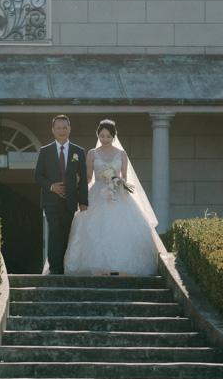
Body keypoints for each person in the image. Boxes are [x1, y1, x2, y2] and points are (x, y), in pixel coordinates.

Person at [64, 118, 159, 276]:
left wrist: (117, 181)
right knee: (95, 227)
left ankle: (118, 265)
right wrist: (77, 180)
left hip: (117, 192)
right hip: (97, 193)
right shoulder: (92, 153)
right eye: (102, 136)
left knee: (119, 228)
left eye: (108, 136)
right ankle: (97, 266)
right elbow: (88, 176)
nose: (105, 139)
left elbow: (125, 177)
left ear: (114, 136)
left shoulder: (121, 154)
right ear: (97, 135)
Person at [34, 114, 88, 274]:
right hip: (50, 201)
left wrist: (84, 202)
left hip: (70, 201)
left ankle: (66, 265)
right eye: (58, 128)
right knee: (54, 232)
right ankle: (55, 267)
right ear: (53, 130)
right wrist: (52, 186)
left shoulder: (78, 152)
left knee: (66, 233)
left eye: (65, 128)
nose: (62, 131)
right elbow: (37, 176)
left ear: (69, 129)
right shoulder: (45, 151)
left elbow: (83, 179)